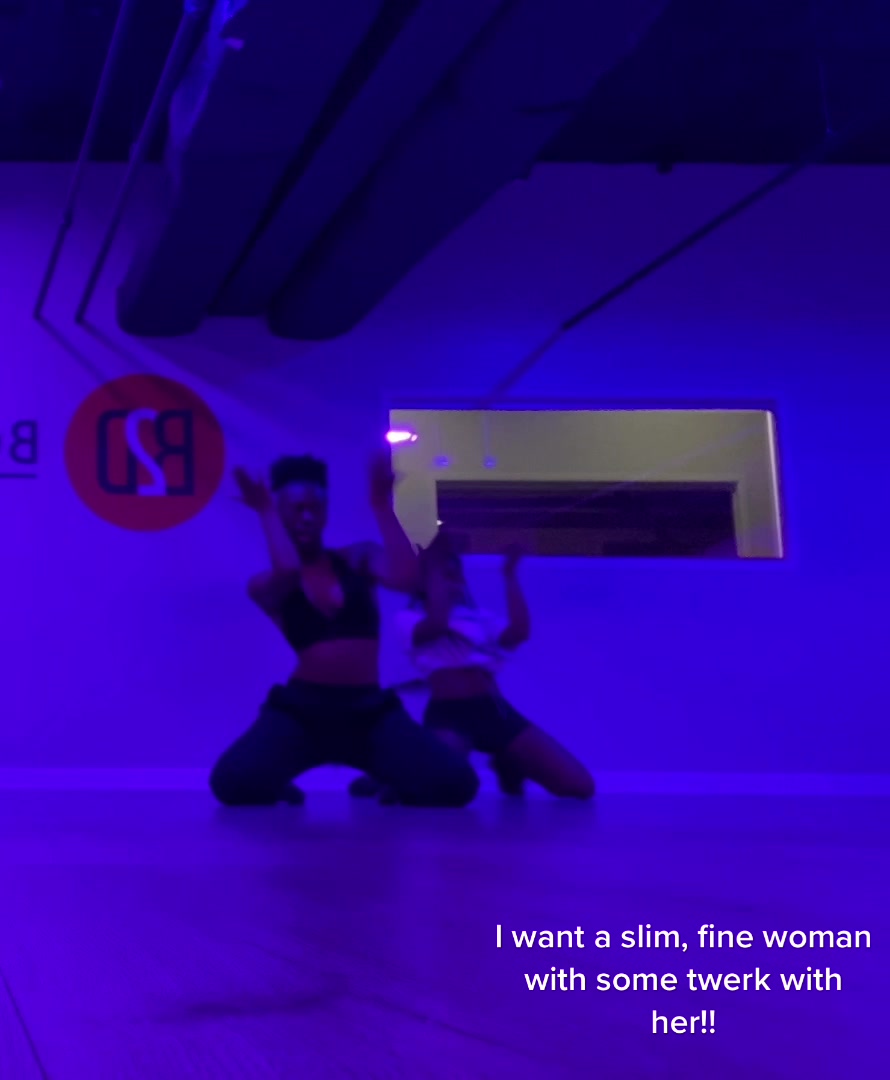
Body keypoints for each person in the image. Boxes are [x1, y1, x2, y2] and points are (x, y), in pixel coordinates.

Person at [209, 452, 480, 808]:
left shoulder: (358, 558)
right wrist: (265, 510)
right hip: (301, 710)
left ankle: (381, 778)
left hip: (368, 711)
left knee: (457, 784)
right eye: (296, 509)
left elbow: (407, 578)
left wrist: (381, 503)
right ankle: (277, 779)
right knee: (231, 783)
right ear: (280, 511)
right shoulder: (264, 586)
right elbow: (289, 570)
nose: (307, 517)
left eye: (315, 508)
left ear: (325, 512)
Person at [350, 531, 594, 800]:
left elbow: (519, 633)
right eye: (444, 576)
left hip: (495, 712)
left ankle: (507, 761)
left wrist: (509, 576)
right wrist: (435, 560)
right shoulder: (409, 618)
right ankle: (389, 776)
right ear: (424, 582)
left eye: (456, 576)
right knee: (442, 788)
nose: (452, 583)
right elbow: (438, 625)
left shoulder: (478, 617)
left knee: (580, 786)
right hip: (449, 715)